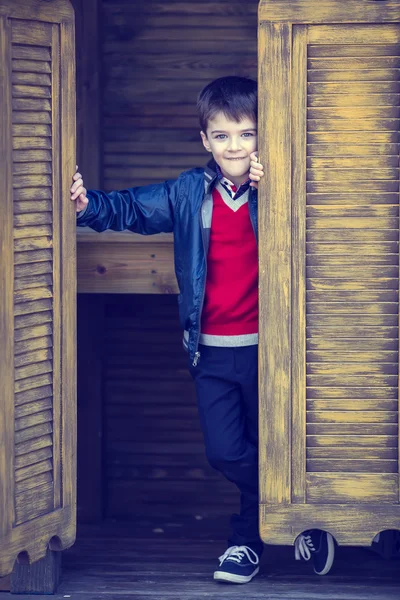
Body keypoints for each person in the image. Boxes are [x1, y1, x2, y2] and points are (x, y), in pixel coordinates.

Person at [71, 76, 335, 583]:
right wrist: (89, 205)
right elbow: (133, 208)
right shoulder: (190, 191)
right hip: (212, 352)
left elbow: (317, 219)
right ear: (205, 141)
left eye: (246, 134)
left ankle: (245, 542)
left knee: (276, 442)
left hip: (271, 349)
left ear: (264, 136)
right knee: (226, 450)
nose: (235, 146)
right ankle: (300, 514)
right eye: (222, 136)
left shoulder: (274, 187)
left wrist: (276, 182)